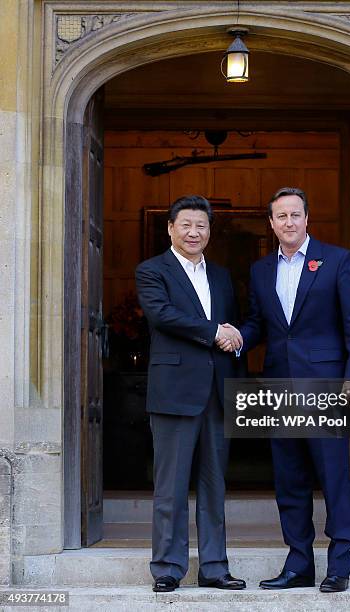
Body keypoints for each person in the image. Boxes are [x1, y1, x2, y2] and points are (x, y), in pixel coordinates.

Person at [220, 187, 350, 593]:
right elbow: (258, 324)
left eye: (295, 215)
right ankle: (299, 563)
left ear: (307, 219)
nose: (288, 222)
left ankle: (339, 564)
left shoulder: (337, 260)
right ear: (271, 223)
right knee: (289, 480)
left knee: (334, 477)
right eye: (281, 216)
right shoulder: (260, 270)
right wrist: (237, 337)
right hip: (279, 385)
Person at [135, 195, 245, 593]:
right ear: (170, 228)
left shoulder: (220, 275)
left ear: (209, 230)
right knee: (171, 487)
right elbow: (162, 315)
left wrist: (234, 339)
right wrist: (215, 331)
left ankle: (215, 567)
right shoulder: (152, 271)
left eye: (201, 225)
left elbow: (233, 325)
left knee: (215, 487)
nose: (194, 232)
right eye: (186, 225)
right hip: (174, 392)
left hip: (216, 392)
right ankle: (167, 568)